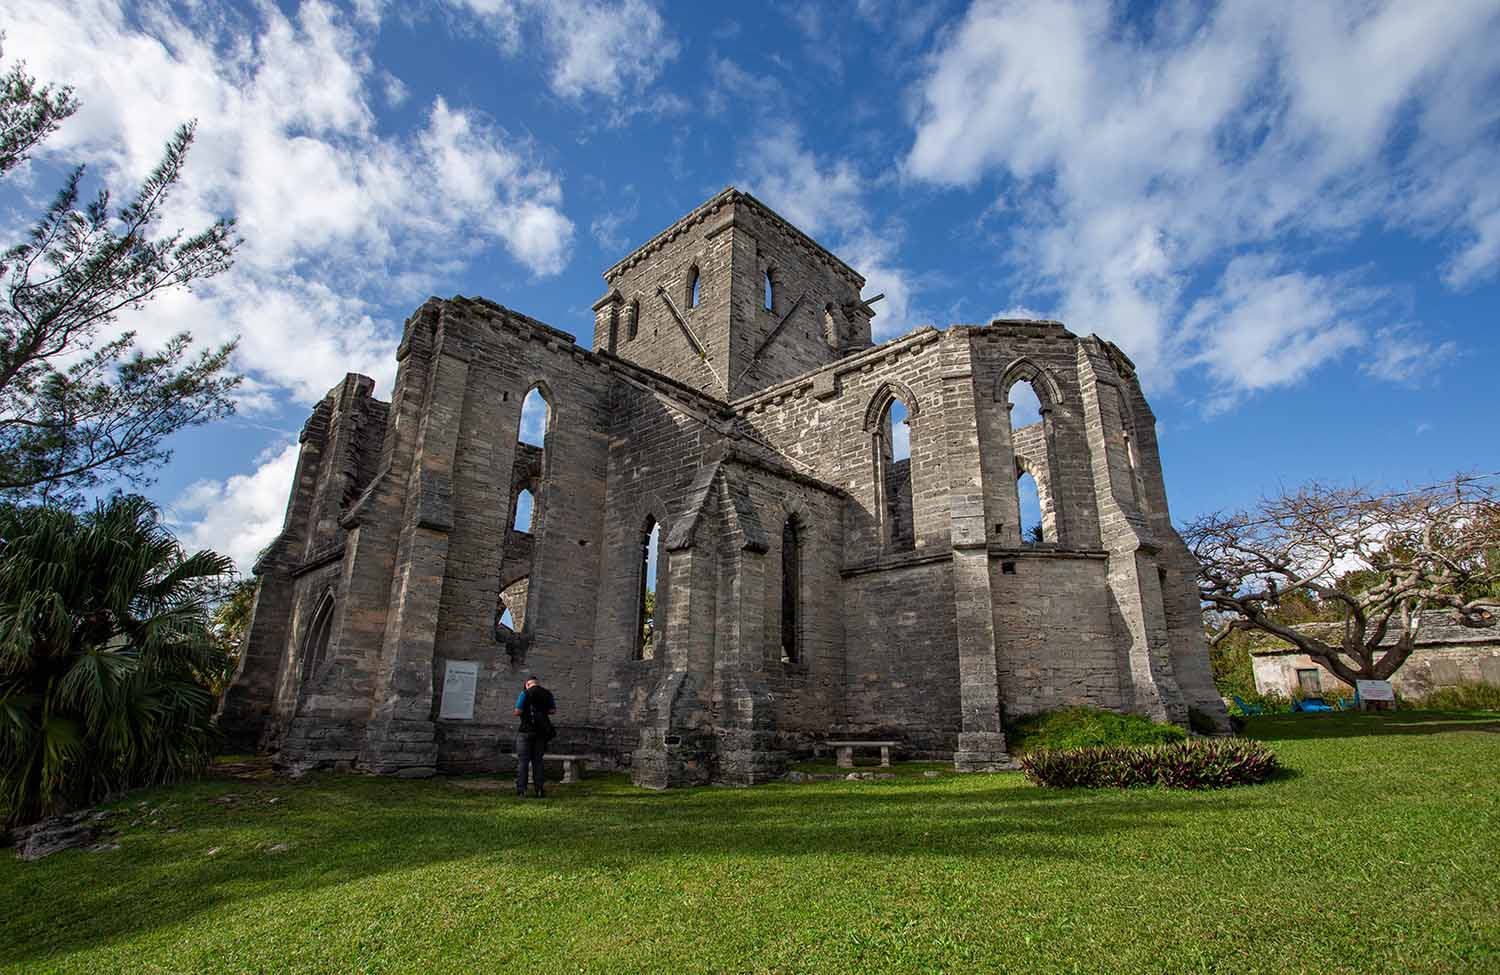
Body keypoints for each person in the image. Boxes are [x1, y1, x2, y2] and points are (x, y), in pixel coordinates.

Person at [514, 675, 556, 798]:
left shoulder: (525, 693)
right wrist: (541, 712)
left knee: (523, 762)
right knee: (538, 761)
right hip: (541, 732)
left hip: (525, 731)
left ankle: (522, 790)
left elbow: (517, 711)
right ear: (537, 683)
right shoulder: (548, 694)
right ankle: (539, 789)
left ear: (527, 684)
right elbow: (553, 711)